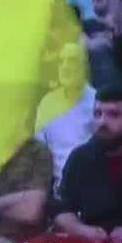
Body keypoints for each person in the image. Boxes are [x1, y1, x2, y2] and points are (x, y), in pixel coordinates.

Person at [52, 86, 122, 243]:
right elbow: (62, 208)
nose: (102, 122)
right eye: (98, 114)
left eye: (113, 115)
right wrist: (83, 230)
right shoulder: (80, 158)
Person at [36, 42, 96, 193]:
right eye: (61, 61)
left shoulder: (97, 102)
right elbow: (40, 152)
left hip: (91, 184)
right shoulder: (47, 103)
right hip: (57, 188)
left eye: (72, 60)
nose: (65, 66)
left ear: (85, 67)